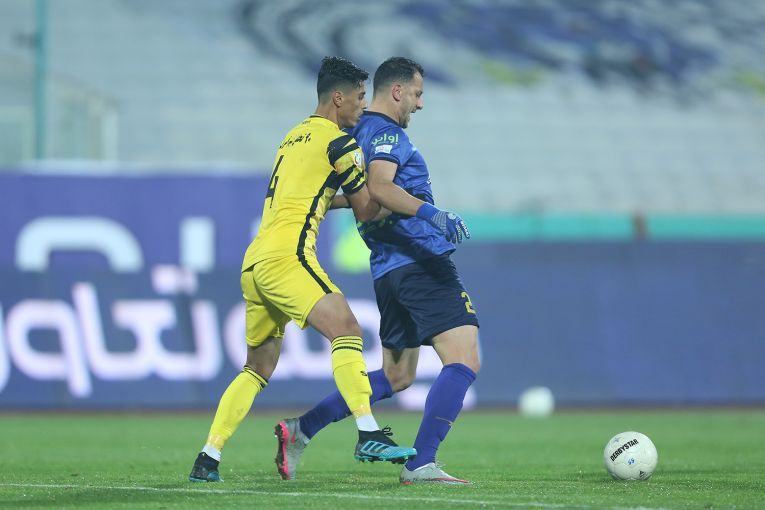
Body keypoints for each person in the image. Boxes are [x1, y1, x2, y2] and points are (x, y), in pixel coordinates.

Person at [189, 56, 417, 483]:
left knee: (257, 368)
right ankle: (368, 432)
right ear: (338, 98)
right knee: (347, 329)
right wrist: (404, 200)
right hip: (288, 256)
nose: (363, 105)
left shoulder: (293, 136)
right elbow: (367, 211)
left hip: (255, 261)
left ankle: (208, 457)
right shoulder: (341, 144)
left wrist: (348, 197)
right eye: (359, 97)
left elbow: (316, 195)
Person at [274, 57, 480, 485]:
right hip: (420, 261)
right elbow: (382, 188)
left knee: (396, 375)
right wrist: (433, 214)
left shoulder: (353, 135)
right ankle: (421, 463)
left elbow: (355, 197)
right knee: (464, 358)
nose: (420, 104)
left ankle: (302, 428)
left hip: (388, 271)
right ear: (398, 91)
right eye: (417, 94)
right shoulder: (387, 133)